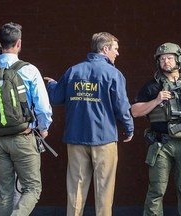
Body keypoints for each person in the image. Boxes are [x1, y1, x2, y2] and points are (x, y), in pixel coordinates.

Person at [0, 22, 53, 216]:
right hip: (23, 136)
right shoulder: (30, 71)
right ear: (19, 43)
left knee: (4, 193)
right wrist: (43, 128)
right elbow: (43, 108)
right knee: (32, 189)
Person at [44, 32, 134, 216]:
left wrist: (53, 84)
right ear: (105, 49)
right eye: (116, 49)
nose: (118, 53)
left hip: (76, 138)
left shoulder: (73, 71)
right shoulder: (113, 74)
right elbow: (122, 107)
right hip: (104, 138)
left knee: (76, 188)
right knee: (104, 190)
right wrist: (129, 128)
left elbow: (56, 97)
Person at [131, 42, 181, 216]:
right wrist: (156, 100)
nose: (165, 62)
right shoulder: (152, 86)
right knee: (156, 190)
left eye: (169, 58)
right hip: (162, 145)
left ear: (179, 60)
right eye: (162, 59)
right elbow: (135, 111)